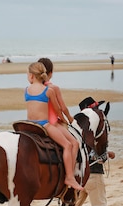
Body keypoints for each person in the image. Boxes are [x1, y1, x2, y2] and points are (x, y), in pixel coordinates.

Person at [25, 62, 83, 191]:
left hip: (28, 124)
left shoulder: (26, 90)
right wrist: (65, 121)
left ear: (31, 76)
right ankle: (69, 176)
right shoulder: (48, 91)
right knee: (68, 145)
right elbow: (58, 110)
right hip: (43, 125)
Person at [79, 96, 117, 206]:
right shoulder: (94, 129)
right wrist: (106, 155)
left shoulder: (79, 127)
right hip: (94, 172)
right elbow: (95, 154)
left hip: (80, 173)